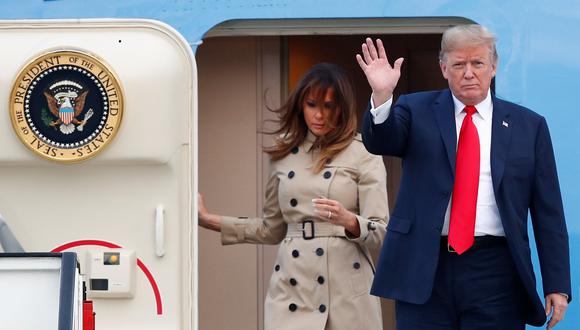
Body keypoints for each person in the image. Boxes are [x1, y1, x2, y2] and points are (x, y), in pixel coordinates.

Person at [356, 24, 571, 329]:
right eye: (459, 64)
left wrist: (557, 284)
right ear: (444, 68)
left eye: (477, 63)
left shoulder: (529, 126)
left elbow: (548, 211)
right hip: (426, 268)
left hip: (496, 272)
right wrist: (381, 96)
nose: (468, 73)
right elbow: (381, 141)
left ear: (493, 67)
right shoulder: (415, 109)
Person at [198, 63, 389, 330]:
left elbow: (381, 231)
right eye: (312, 104)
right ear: (301, 105)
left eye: (328, 106)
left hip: (347, 291)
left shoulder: (363, 152)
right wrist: (208, 220)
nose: (319, 115)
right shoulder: (284, 153)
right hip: (293, 290)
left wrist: (349, 220)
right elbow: (271, 229)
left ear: (342, 108)